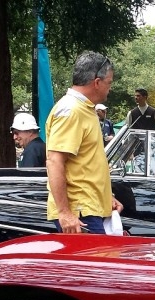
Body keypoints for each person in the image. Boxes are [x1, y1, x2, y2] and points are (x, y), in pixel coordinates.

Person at [45, 51, 123, 234]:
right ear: (97, 82)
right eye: (109, 83)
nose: (110, 88)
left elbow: (86, 162)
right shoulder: (71, 110)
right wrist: (64, 213)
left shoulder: (82, 108)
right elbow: (54, 161)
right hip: (80, 213)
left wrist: (107, 197)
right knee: (98, 262)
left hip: (86, 210)